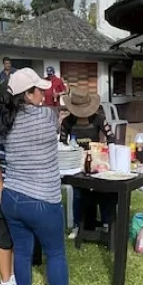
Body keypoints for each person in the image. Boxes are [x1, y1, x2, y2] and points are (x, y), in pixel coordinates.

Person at [0, 67, 84, 285]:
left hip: (13, 198)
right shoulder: (47, 118)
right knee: (56, 253)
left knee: (24, 253)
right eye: (38, 89)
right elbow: (68, 106)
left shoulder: (1, 120)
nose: (43, 93)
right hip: (43, 198)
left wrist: (6, 107)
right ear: (27, 94)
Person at [0, 119, 44, 285]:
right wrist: (1, 189)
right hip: (3, 188)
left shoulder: (24, 125)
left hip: (19, 188)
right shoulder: (1, 125)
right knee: (5, 234)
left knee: (19, 235)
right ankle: (5, 284)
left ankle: (15, 278)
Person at [60, 89, 116, 240]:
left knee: (104, 190)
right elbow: (62, 144)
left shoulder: (99, 119)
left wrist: (104, 151)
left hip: (97, 162)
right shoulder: (67, 122)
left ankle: (106, 223)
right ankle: (78, 224)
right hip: (75, 164)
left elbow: (111, 137)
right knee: (78, 192)